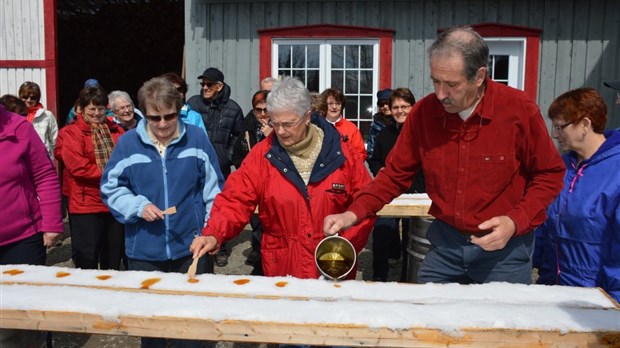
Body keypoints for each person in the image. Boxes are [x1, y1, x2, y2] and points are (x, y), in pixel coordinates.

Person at [323, 25, 566, 285]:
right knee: (428, 318)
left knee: (498, 323)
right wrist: (353, 212)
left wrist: (515, 221)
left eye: (451, 84)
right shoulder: (424, 114)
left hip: (504, 251)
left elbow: (550, 174)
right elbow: (394, 174)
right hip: (444, 246)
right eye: (435, 81)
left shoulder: (518, 110)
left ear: (479, 76)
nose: (440, 94)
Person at [190, 76, 375, 280]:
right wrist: (214, 233)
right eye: (275, 123)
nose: (280, 131)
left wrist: (344, 248)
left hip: (332, 266)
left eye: (288, 124)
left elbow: (365, 204)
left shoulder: (341, 154)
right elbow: (235, 200)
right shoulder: (262, 156)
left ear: (307, 116)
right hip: (282, 269)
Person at [101, 77, 224, 348]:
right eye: (154, 118)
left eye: (169, 116)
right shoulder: (128, 144)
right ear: (143, 114)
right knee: (153, 328)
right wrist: (137, 206)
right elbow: (110, 188)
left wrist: (209, 232)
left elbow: (214, 191)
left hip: (190, 248)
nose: (163, 124)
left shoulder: (196, 138)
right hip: (144, 251)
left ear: (178, 110)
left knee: (191, 327)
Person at [533, 88, 619, 302]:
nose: (555, 134)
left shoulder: (616, 170)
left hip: (596, 296)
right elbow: (544, 222)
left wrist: (614, 299)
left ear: (585, 125)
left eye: (560, 127)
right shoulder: (561, 167)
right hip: (553, 288)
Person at [0, 102, 63, 348]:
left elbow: (45, 175)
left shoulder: (18, 128)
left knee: (26, 320)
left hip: (21, 239)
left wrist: (52, 223)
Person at [54, 86, 125, 270]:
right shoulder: (70, 133)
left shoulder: (117, 131)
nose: (96, 113)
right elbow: (79, 168)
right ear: (82, 109)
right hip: (86, 204)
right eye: (92, 109)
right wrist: (115, 174)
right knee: (87, 260)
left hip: (114, 202)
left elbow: (128, 160)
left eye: (100, 108)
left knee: (112, 262)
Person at [187, 67, 244, 267]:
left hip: (220, 165)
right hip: (196, 165)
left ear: (219, 86)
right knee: (198, 204)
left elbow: (238, 137)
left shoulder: (233, 108)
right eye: (202, 84)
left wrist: (227, 157)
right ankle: (196, 241)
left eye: (209, 84)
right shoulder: (193, 104)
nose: (205, 87)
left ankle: (222, 247)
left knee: (221, 206)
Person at [367, 88, 425, 282]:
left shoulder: (422, 133)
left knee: (412, 239)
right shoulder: (385, 133)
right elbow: (374, 159)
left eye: (404, 107)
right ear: (390, 110)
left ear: (413, 107)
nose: (399, 111)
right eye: (396, 107)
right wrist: (379, 170)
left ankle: (408, 280)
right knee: (382, 233)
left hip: (416, 193)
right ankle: (379, 277)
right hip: (390, 194)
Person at [232, 90, 272, 273]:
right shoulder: (247, 126)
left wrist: (271, 136)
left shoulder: (281, 127)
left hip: (275, 182)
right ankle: (258, 250)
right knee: (256, 221)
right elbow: (238, 153)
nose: (263, 115)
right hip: (255, 182)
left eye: (266, 110)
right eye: (258, 110)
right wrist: (245, 169)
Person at [319, 88, 367, 160]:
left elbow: (360, 154)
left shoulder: (351, 128)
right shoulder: (317, 126)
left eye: (338, 103)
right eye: (330, 104)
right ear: (324, 105)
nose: (334, 107)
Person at [18, 81, 58, 158]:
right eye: (25, 97)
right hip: (21, 157)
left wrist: (48, 155)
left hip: (42, 158)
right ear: (20, 97)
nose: (28, 100)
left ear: (38, 98)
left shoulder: (47, 115)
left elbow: (54, 140)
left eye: (32, 98)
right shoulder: (14, 115)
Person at [366, 88, 392, 159]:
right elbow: (370, 150)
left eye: (387, 103)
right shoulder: (376, 125)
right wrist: (377, 168)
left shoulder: (401, 122)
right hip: (382, 167)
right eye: (381, 104)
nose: (385, 107)